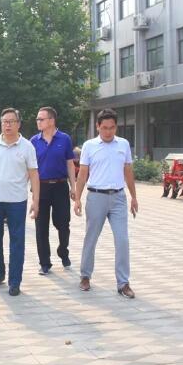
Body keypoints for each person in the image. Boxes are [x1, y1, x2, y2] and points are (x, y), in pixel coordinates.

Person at [74, 108, 137, 299]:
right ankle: (85, 276)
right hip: (96, 197)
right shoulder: (89, 146)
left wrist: (134, 197)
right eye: (104, 128)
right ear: (97, 126)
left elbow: (128, 171)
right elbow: (82, 174)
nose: (108, 132)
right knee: (91, 238)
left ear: (116, 127)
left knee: (122, 240)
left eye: (112, 128)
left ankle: (123, 282)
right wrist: (77, 199)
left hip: (118, 198)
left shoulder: (123, 144)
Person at [0, 108, 39, 296]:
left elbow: (34, 174)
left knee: (17, 241)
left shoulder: (27, 146)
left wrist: (36, 200)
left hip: (17, 201)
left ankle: (15, 281)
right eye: (4, 121)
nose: (7, 125)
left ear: (19, 124)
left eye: (11, 121)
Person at [30, 106, 77, 275]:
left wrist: (73, 187)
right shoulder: (33, 141)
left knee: (63, 224)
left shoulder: (64, 139)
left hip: (60, 186)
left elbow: (70, 164)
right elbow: (30, 168)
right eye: (37, 119)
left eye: (41, 119)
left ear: (51, 120)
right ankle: (44, 262)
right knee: (41, 226)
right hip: (40, 187)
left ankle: (63, 252)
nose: (38, 121)